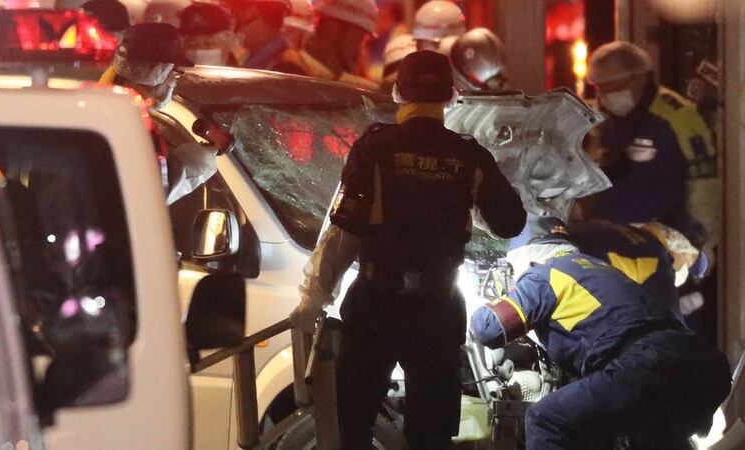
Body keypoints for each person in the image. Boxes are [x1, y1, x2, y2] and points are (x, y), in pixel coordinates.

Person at [291, 50, 526, 450]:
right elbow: (511, 223)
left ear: (398, 93)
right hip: (436, 308)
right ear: (451, 97)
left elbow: (343, 230)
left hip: (375, 305)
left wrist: (314, 297)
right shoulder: (468, 156)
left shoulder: (375, 149)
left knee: (355, 426)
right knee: (431, 435)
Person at [471, 215, 730, 450]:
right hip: (702, 365)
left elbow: (487, 328)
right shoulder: (598, 267)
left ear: (525, 254)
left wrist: (492, 298)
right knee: (648, 438)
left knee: (545, 420)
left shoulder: (546, 273)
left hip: (646, 366)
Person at [586, 41, 720, 250]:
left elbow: (705, 185)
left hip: (666, 247)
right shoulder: (602, 121)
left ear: (639, 77)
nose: (608, 93)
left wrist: (699, 246)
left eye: (615, 85)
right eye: (601, 87)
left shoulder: (678, 117)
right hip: (609, 243)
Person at [566, 219, 705, 321]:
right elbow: (668, 323)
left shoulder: (624, 228)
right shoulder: (656, 264)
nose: (685, 270)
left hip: (558, 252)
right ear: (679, 243)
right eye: (688, 261)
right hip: (567, 283)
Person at [99, 22, 193, 109]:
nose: (172, 80)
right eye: (171, 69)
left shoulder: (104, 96)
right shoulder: (136, 112)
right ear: (153, 69)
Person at [295, 0, 379, 89]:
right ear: (337, 30)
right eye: (361, 38)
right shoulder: (354, 90)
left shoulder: (291, 64)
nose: (359, 50)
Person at [178, 1, 239, 66]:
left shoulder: (243, 73)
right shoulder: (172, 72)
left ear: (228, 44)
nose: (199, 50)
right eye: (192, 45)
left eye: (209, 44)